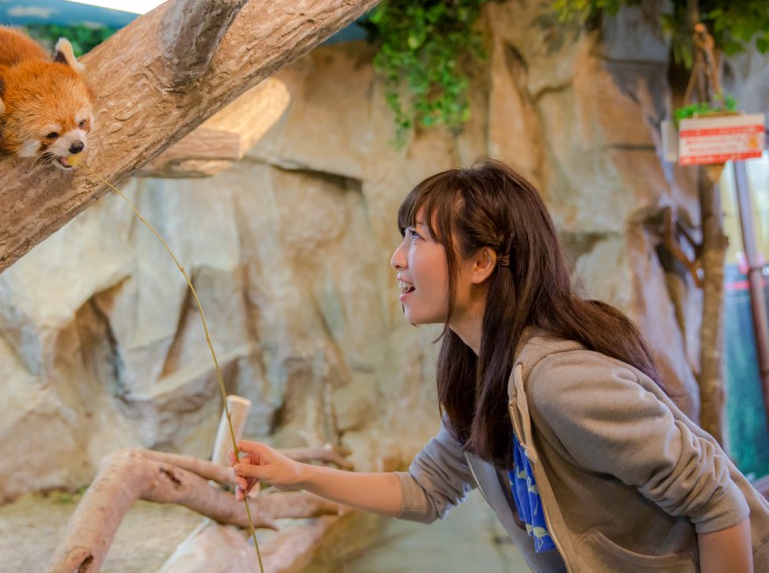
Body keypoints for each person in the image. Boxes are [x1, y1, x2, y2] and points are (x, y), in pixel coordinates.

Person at [231, 158, 769, 572]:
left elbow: (717, 498)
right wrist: (295, 474)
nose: (398, 257)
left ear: (482, 261)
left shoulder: (558, 381)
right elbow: (426, 490)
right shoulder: (482, 375)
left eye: (416, 237)